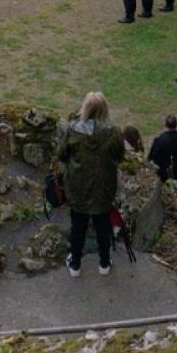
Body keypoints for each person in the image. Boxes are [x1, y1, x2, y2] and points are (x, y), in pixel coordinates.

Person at [56, 91, 126, 277]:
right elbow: (120, 156)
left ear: (85, 108)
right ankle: (104, 263)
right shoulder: (113, 132)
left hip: (78, 185)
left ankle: (75, 265)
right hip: (103, 187)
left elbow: (61, 154)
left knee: (78, 225)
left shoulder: (72, 130)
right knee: (102, 225)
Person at [148, 115, 177, 184]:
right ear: (176, 124)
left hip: (163, 170)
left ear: (165, 125)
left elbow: (152, 155)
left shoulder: (160, 139)